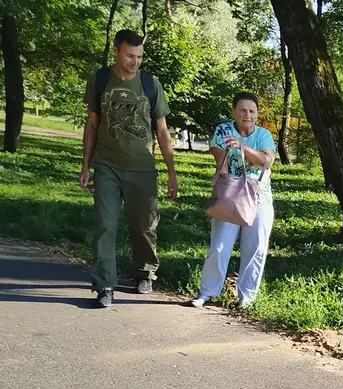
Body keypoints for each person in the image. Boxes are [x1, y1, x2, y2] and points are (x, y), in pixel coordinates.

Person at [79, 29, 178, 308]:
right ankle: (104, 284)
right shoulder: (99, 79)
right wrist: (85, 164)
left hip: (142, 169)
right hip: (107, 165)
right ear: (116, 51)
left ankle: (145, 272)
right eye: (130, 55)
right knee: (105, 224)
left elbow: (162, 131)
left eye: (140, 57)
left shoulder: (150, 84)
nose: (135, 62)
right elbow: (92, 124)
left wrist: (171, 172)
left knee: (144, 227)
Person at [190, 92, 276, 309]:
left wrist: (243, 147)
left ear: (257, 114)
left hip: (259, 198)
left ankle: (246, 297)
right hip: (230, 194)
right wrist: (243, 153)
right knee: (219, 246)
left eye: (252, 111)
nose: (248, 115)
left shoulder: (263, 134)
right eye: (243, 110)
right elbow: (222, 163)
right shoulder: (223, 130)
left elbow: (267, 161)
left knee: (255, 247)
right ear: (234, 111)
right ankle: (207, 292)